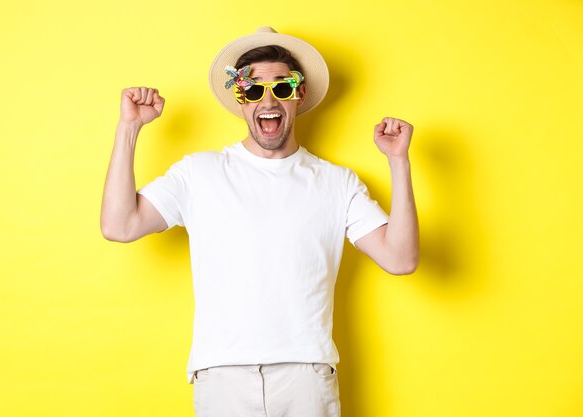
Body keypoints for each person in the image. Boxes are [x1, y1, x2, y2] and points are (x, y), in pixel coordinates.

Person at [100, 27, 418, 417]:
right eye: (253, 90)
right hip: (222, 377)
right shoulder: (199, 173)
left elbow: (401, 259)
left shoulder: (337, 182)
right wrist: (129, 127)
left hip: (306, 376)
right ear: (241, 99)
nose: (268, 100)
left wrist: (399, 161)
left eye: (281, 88)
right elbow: (119, 225)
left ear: (298, 95)